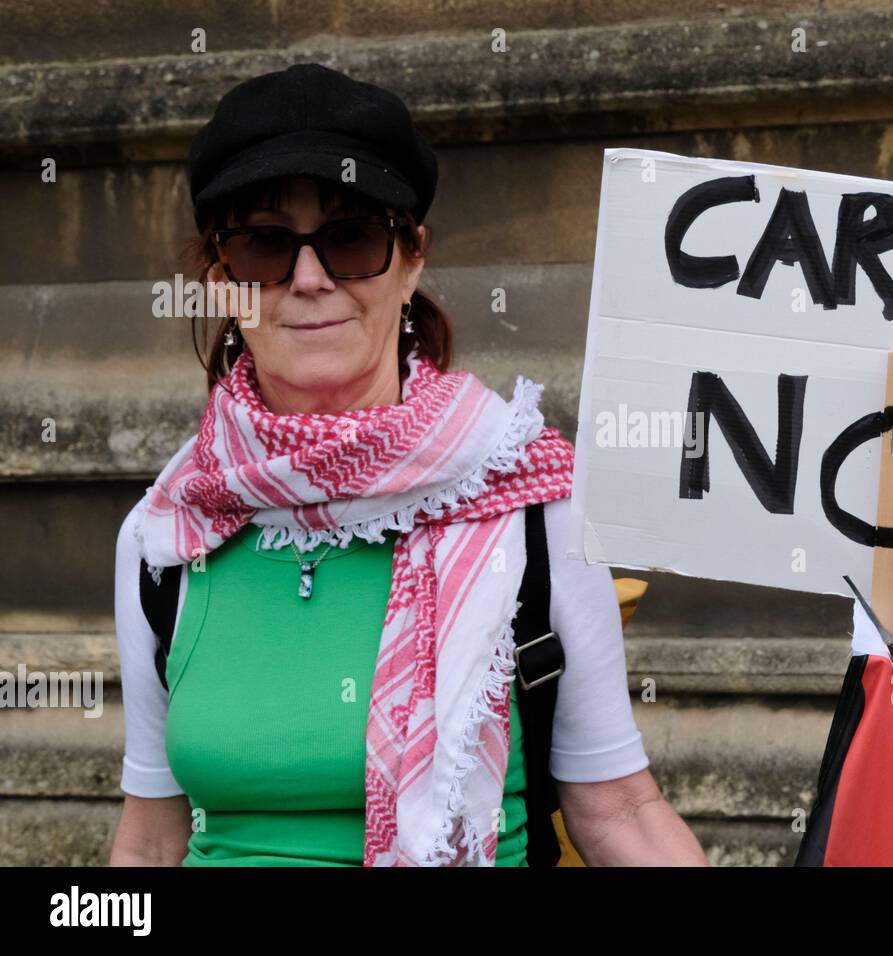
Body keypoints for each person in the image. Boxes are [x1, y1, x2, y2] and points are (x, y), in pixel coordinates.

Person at [107, 62, 708, 867]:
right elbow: (149, 841)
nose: (310, 279)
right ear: (223, 282)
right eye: (263, 246)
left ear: (412, 257)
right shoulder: (167, 536)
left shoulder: (530, 507)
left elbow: (622, 812)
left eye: (352, 237)